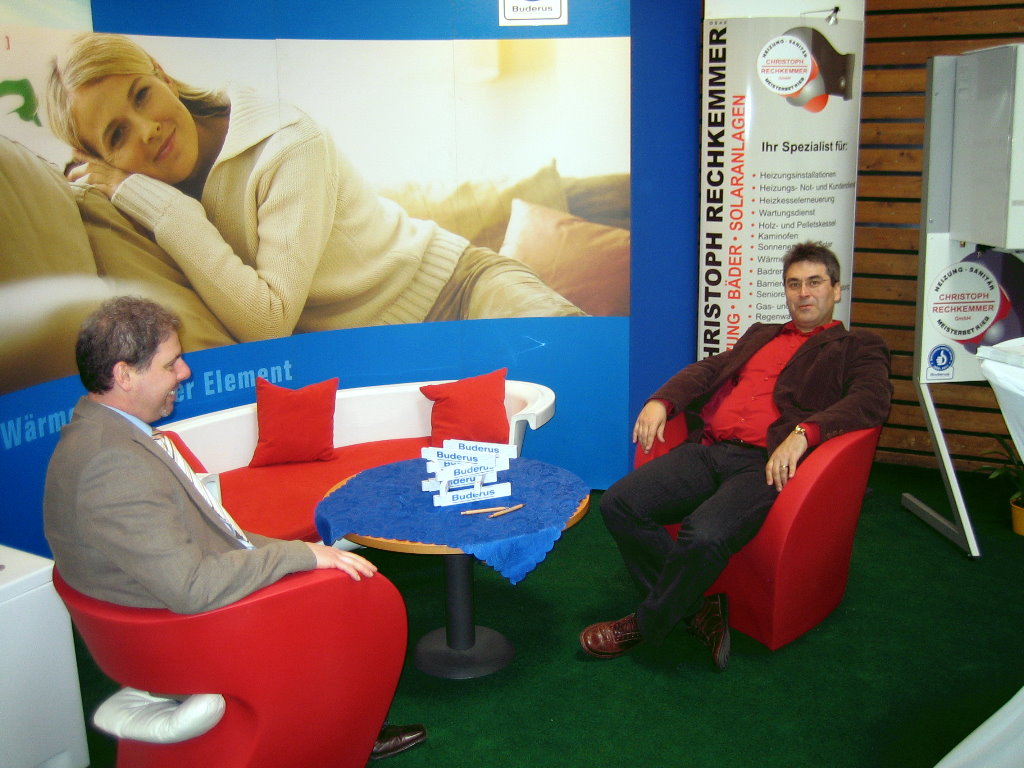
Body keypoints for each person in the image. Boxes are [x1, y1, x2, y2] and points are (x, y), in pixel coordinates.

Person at [43, 296, 424, 760]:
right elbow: (191, 587)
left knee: (327, 573)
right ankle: (347, 733)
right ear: (125, 375)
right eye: (170, 363)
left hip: (158, 619)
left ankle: (340, 721)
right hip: (184, 637)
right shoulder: (113, 463)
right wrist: (300, 555)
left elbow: (205, 535)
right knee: (358, 598)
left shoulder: (98, 435)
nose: (184, 372)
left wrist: (297, 553)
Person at [45, 32, 584, 344]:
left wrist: (158, 206)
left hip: (460, 290)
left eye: (142, 95)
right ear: (100, 160)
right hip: (378, 353)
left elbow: (267, 321)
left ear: (162, 75)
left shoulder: (286, 141)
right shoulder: (146, 196)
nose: (147, 129)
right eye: (117, 135)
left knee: (579, 360)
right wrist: (136, 196)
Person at [580, 241, 892, 671]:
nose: (803, 293)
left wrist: (805, 432)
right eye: (794, 284)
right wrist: (662, 400)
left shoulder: (857, 346)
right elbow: (710, 369)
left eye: (815, 282)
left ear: (837, 290)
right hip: (709, 449)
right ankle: (699, 609)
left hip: (764, 464)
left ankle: (645, 624)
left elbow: (871, 400)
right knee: (619, 503)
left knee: (704, 534)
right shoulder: (762, 333)